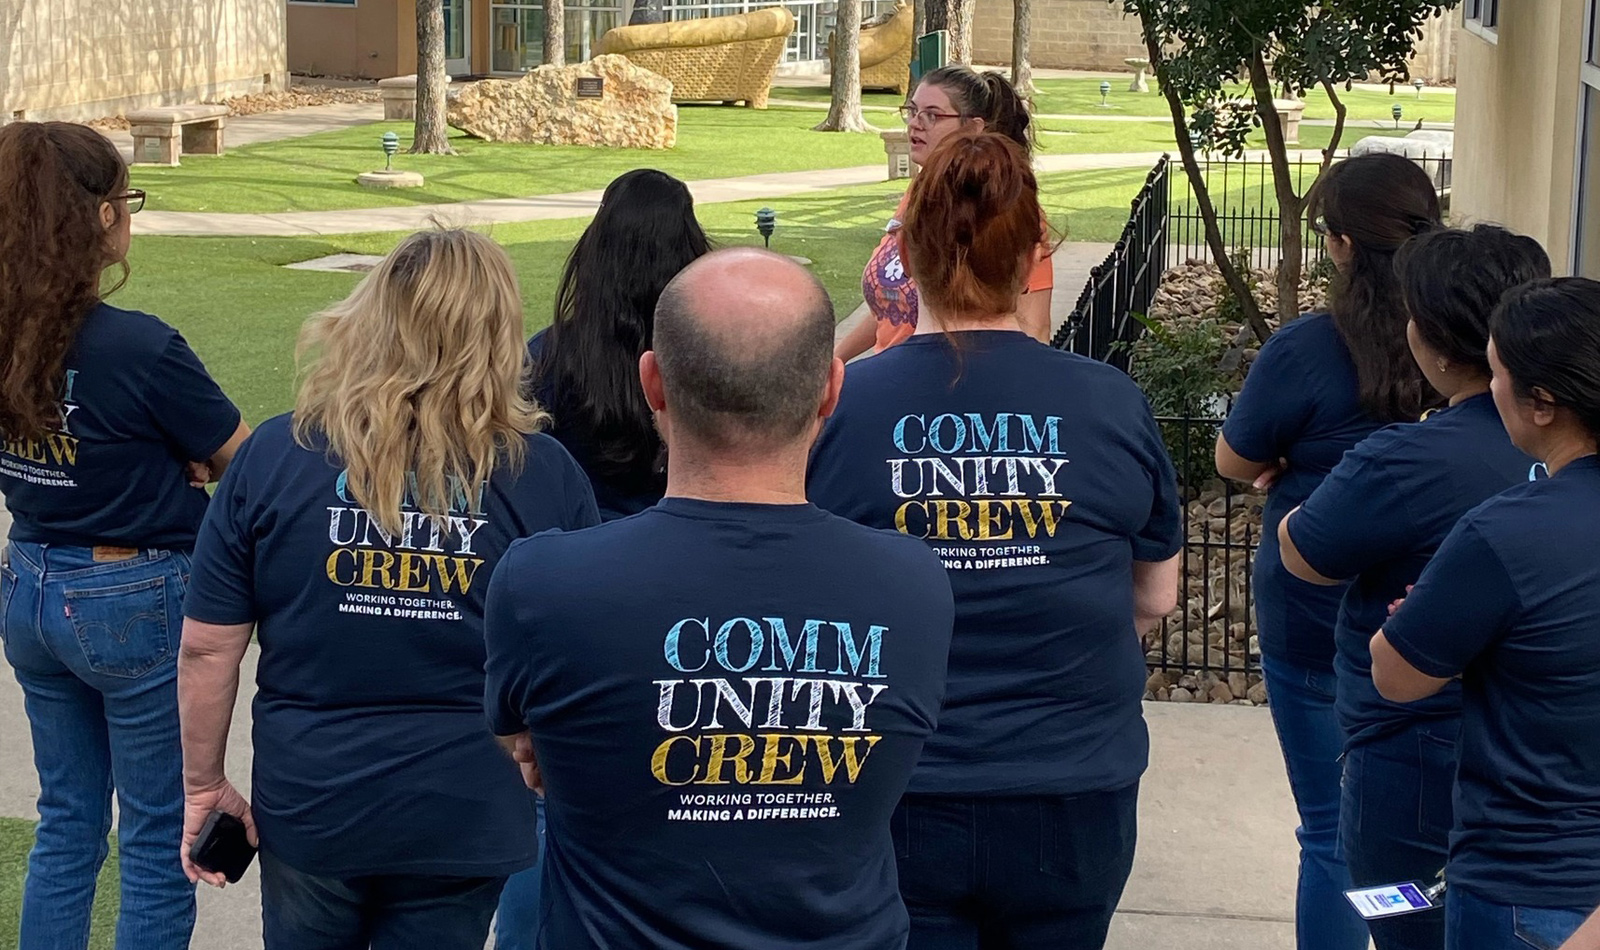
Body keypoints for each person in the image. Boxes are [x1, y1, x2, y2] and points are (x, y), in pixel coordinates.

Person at [483, 247, 956, 950]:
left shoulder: (545, 582)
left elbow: (525, 745)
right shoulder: (913, 586)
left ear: (653, 384)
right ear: (832, 388)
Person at [809, 130, 1182, 949]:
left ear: (911, 255)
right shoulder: (1109, 403)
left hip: (898, 785)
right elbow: (1155, 595)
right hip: (1073, 786)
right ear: (1033, 252)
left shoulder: (844, 408)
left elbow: (806, 597)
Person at [175, 229, 599, 950]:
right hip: (465, 807)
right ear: (498, 336)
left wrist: (201, 785)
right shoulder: (545, 477)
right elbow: (582, 653)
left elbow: (207, 648)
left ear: (372, 318)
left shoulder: (277, 455)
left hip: (317, 801)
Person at [0, 122, 248, 950]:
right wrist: (184, 465)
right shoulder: (141, 347)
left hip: (31, 583)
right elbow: (241, 461)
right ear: (97, 220)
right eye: (123, 201)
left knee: (66, 821)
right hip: (130, 595)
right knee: (152, 837)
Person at [1278, 224, 1548, 950]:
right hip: (1543, 759)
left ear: (1428, 338)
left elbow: (1303, 551)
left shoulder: (1407, 459)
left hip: (1412, 761)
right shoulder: (1563, 459)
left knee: (1399, 919)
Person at [1213, 152, 1444, 950]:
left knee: (1329, 829)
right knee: (1424, 837)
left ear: (1342, 245)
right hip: (1438, 621)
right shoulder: (1473, 344)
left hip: (1316, 612)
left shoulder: (1307, 349)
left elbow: (1234, 460)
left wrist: (1286, 459)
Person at [498, 168, 713, 947]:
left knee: (551, 799)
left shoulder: (547, 357)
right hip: (683, 596)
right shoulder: (702, 355)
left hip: (576, 601)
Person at [1370, 277, 1600, 950]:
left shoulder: (1504, 534)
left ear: (1544, 403)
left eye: (1497, 373)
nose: (1488, 389)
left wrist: (1431, 616)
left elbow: (1396, 675)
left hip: (1526, 888)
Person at [525, 168, 713, 520]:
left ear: (597, 248)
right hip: (682, 537)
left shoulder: (546, 357)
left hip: (579, 543)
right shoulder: (709, 353)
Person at [834, 66, 1054, 360]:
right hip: (888, 380)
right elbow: (892, 304)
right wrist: (836, 359)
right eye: (912, 111)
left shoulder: (1007, 210)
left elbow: (1035, 328)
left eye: (933, 115)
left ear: (973, 127)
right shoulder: (919, 196)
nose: (915, 124)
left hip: (953, 387)